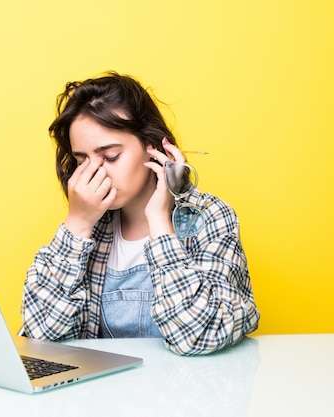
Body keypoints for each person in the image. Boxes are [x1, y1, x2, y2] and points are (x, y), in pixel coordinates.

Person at [21, 71, 260, 356]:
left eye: (110, 156)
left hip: (187, 395)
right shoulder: (90, 227)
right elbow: (41, 335)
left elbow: (197, 336)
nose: (94, 171)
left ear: (153, 147)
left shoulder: (210, 217)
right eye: (81, 160)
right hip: (103, 396)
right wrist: (77, 223)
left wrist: (159, 220)